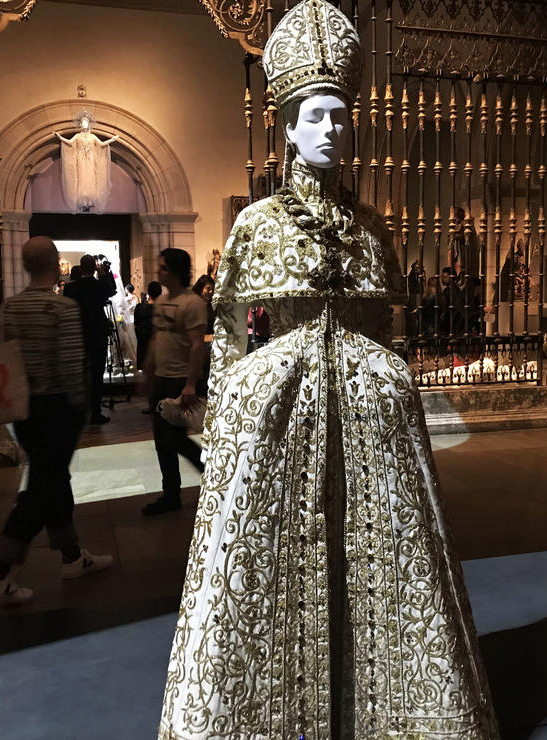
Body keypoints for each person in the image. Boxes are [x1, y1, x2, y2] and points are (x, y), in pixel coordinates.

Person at [158, 2, 498, 736]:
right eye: (315, 116)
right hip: (274, 415)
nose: (330, 130)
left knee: (383, 557)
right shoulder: (256, 225)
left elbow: (388, 325)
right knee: (266, 561)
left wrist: (389, 382)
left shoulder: (374, 227)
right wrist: (226, 421)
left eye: (341, 117)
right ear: (285, 126)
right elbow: (228, 331)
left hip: (371, 421)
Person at [0, 237, 112, 605]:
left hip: (23, 408)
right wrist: (80, 406)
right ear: (56, 265)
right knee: (41, 487)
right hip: (56, 408)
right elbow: (70, 365)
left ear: (24, 265)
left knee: (51, 479)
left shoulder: (11, 308)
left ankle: (71, 556)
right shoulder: (60, 308)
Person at [139, 248, 207, 516]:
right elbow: (157, 338)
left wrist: (190, 383)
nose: (159, 272)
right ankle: (173, 493)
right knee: (166, 440)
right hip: (161, 378)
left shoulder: (193, 304)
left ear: (177, 271)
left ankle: (181, 490)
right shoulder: (163, 302)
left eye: (164, 268)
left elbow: (196, 346)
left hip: (179, 379)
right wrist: (147, 371)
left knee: (172, 440)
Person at [64, 253, 117, 424]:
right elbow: (112, 290)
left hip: (77, 334)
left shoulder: (71, 288)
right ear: (94, 267)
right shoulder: (99, 285)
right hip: (97, 333)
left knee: (78, 373)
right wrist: (104, 274)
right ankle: (95, 411)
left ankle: (76, 410)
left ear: (80, 268)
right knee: (96, 373)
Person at [134, 280, 161, 375]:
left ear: (148, 293)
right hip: (158, 350)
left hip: (143, 346)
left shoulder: (139, 308)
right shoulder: (162, 310)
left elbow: (136, 325)